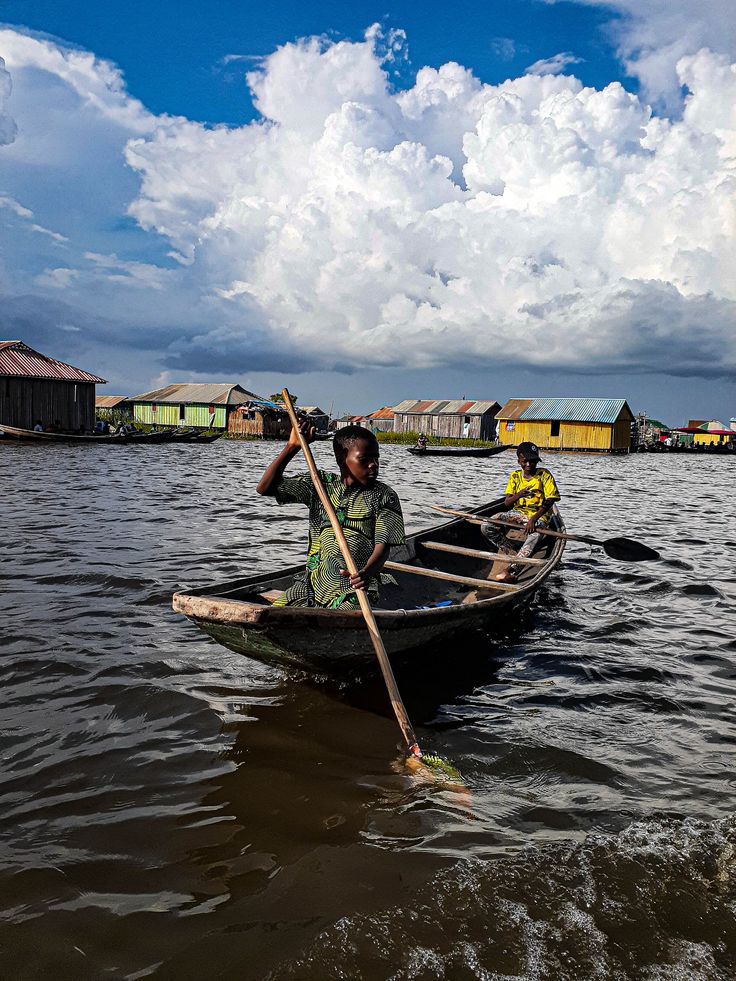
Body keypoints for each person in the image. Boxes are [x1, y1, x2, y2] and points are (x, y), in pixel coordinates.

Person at [257, 423, 405, 609]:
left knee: (343, 615)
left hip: (353, 589)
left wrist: (366, 573)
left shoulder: (384, 495)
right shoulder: (320, 485)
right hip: (311, 584)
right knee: (273, 614)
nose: (373, 465)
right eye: (365, 459)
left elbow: (382, 548)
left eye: (376, 458)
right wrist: (292, 447)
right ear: (342, 458)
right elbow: (265, 488)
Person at [482, 441, 561, 583]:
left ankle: (511, 570)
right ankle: (511, 549)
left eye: (532, 461)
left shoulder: (544, 475)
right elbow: (507, 503)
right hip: (517, 513)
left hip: (539, 516)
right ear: (519, 461)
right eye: (525, 461)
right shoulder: (515, 476)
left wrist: (533, 520)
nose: (529, 465)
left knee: (534, 536)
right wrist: (519, 494)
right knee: (487, 525)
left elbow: (550, 501)